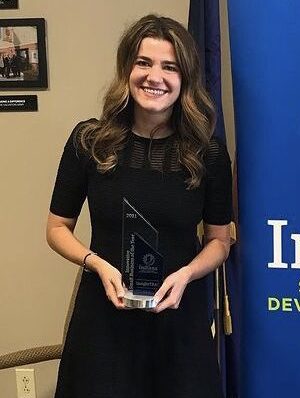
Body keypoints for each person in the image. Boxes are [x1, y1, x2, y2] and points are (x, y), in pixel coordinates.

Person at [46, 15, 231, 398]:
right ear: (127, 69)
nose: (154, 77)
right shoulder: (90, 142)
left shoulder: (207, 153)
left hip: (180, 325)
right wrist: (95, 263)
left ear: (185, 79)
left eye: (170, 67)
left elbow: (220, 241)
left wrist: (187, 275)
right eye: (143, 63)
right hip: (103, 326)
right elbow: (56, 229)